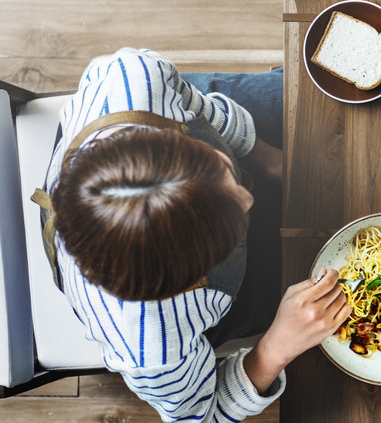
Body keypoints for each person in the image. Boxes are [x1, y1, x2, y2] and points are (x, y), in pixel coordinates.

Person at [41, 48, 352, 421]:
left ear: (167, 132)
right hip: (222, 301)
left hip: (204, 117)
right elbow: (201, 416)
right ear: (186, 279)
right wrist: (275, 346)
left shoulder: (134, 79)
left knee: (326, 90)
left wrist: (267, 157)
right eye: (230, 229)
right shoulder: (149, 346)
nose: (249, 197)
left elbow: (194, 103)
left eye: (220, 166)